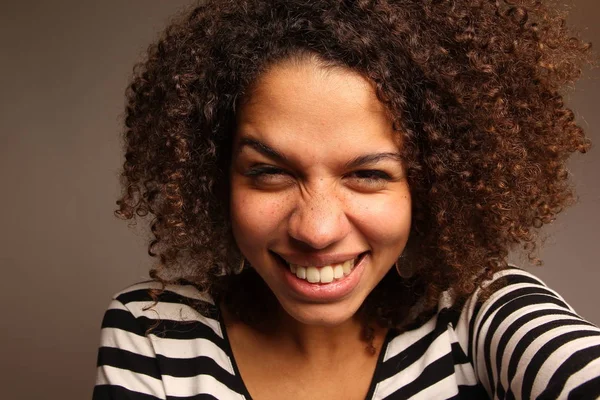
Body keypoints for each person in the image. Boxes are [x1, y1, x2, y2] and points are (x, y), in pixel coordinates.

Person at [93, 0, 600, 399]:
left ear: (432, 184)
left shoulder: (481, 313)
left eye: (368, 174)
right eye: (269, 172)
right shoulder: (153, 330)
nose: (315, 230)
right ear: (214, 175)